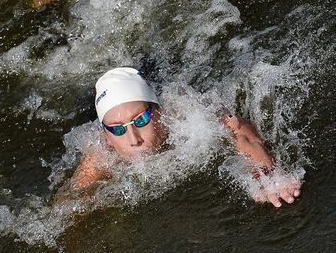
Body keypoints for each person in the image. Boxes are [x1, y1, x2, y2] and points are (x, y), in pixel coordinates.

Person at [62, 67, 301, 208]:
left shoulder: (183, 116)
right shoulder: (98, 156)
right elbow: (68, 206)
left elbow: (237, 128)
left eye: (141, 120)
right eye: (117, 129)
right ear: (106, 135)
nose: (133, 138)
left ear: (159, 112)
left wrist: (265, 172)